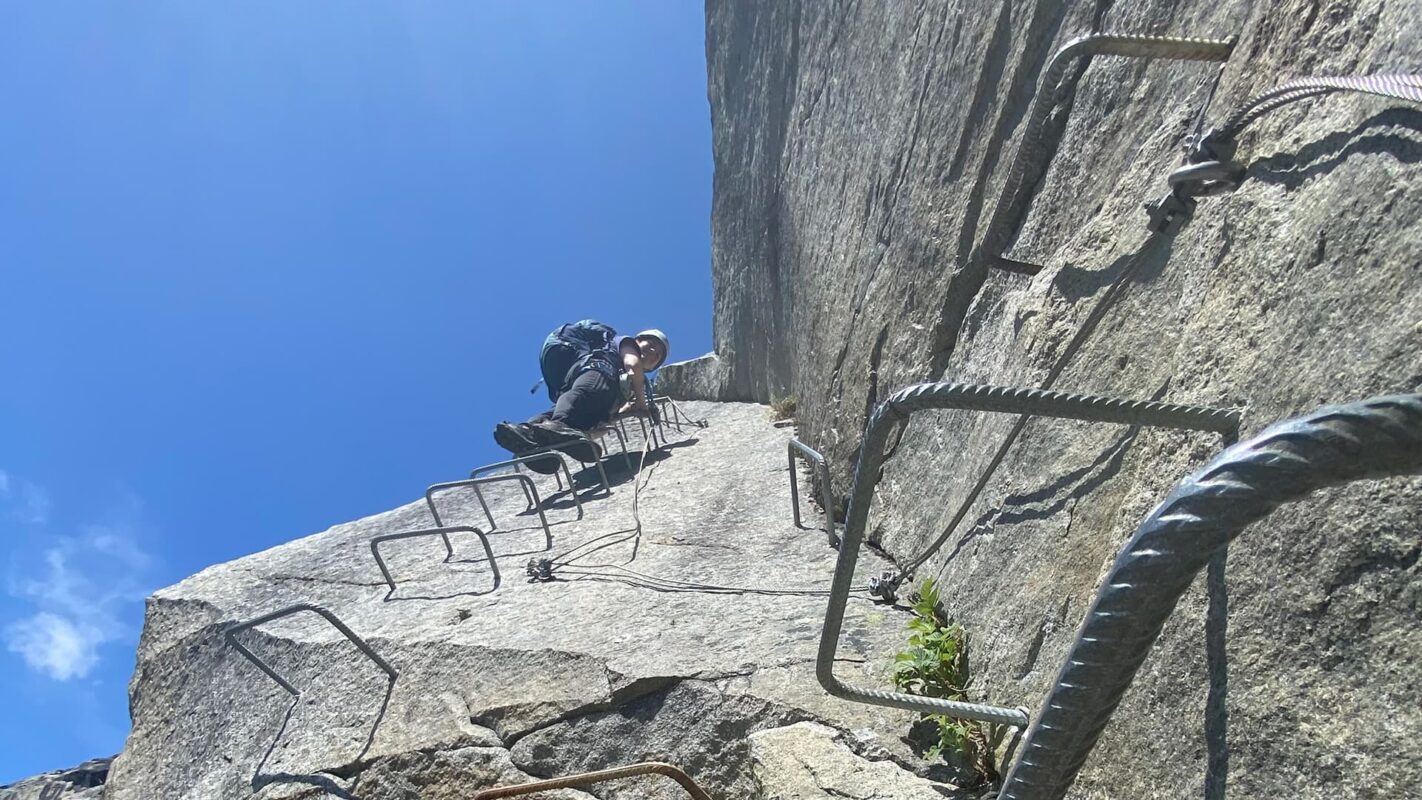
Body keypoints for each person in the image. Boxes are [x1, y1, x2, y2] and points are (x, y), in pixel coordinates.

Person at [493, 321, 669, 468]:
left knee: (576, 409)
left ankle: (528, 434)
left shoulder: (626, 381)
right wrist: (641, 402)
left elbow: (611, 414)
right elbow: (632, 364)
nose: (653, 352)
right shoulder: (626, 343)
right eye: (652, 345)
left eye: (658, 355)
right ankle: (558, 425)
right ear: (638, 340)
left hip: (578, 381)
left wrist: (632, 410)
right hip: (597, 369)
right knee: (591, 392)